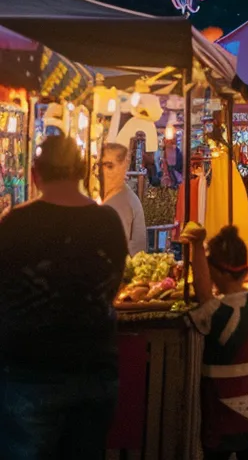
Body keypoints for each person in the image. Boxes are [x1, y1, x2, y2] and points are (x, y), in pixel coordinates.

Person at [0, 136, 128, 460]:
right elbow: (112, 289)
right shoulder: (108, 223)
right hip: (95, 371)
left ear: (34, 175)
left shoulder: (13, 225)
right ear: (83, 172)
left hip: (28, 373)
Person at [182, 224, 248, 459]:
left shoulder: (218, 312)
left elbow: (203, 292)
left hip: (221, 407)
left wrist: (196, 245)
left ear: (218, 272)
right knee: (247, 455)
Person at [100, 141, 147, 255]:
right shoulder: (111, 196)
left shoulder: (122, 201)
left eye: (110, 166)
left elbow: (114, 247)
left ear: (123, 166)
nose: (103, 171)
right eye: (101, 165)